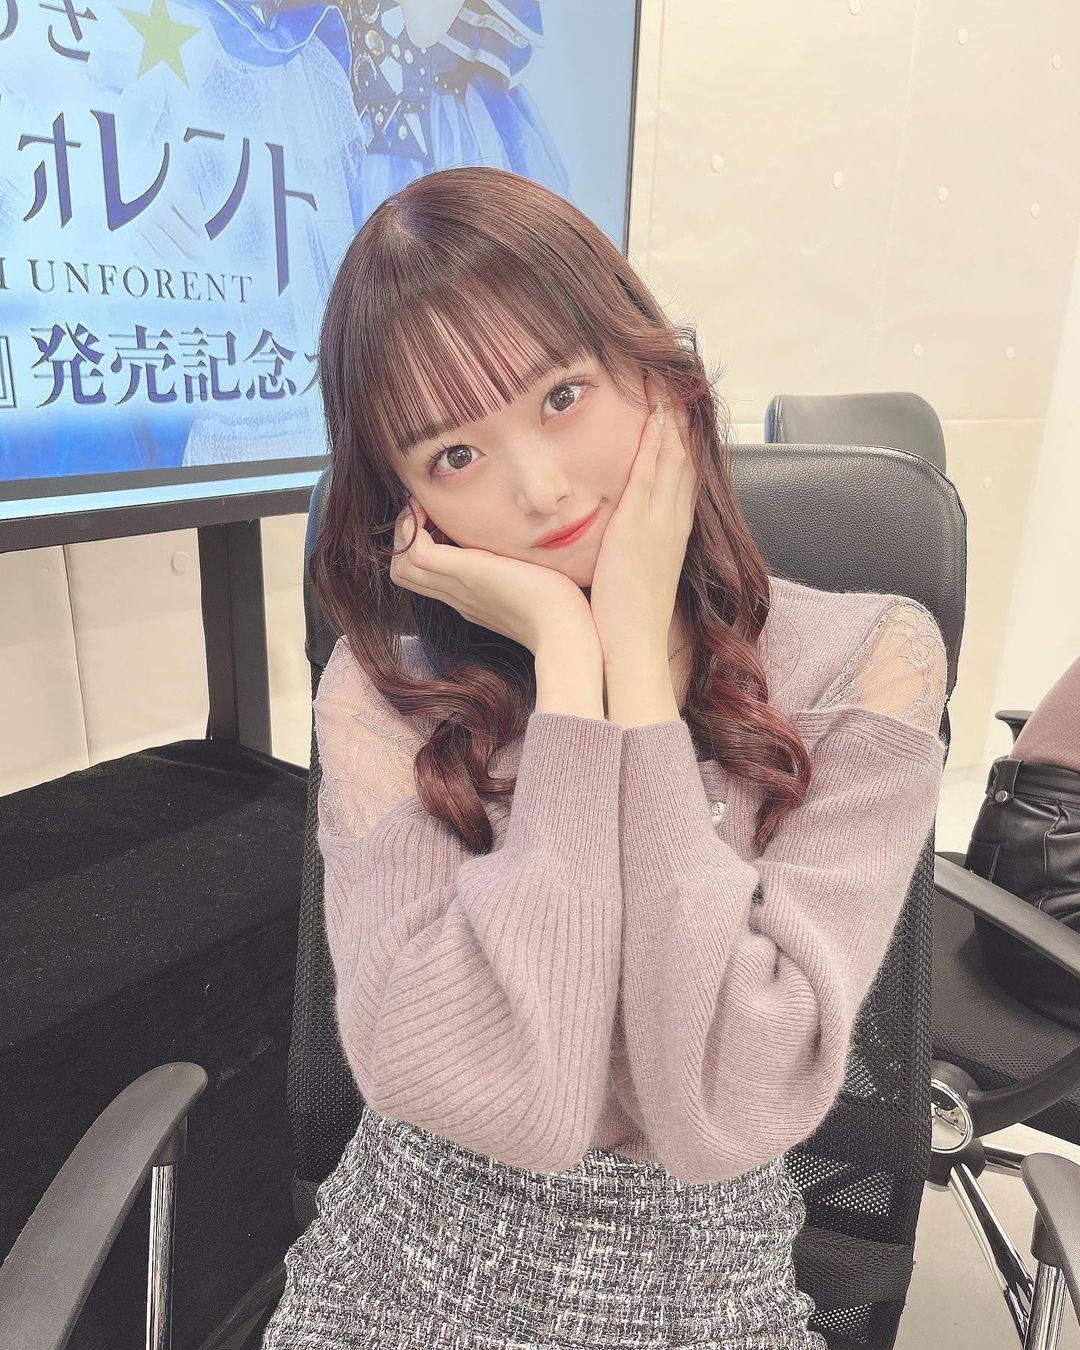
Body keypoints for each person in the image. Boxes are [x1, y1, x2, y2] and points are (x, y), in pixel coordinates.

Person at [260, 165, 948, 1349]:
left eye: (562, 394)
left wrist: (634, 650)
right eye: (454, 457)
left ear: (654, 375)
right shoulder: (382, 694)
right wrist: (572, 664)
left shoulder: (866, 663)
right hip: (399, 1275)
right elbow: (505, 1095)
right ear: (405, 508)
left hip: (703, 1293)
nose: (540, 487)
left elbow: (727, 1101)